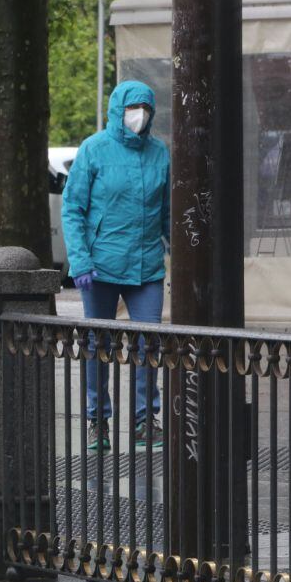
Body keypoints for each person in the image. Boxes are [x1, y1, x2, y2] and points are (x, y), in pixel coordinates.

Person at [62, 80, 170, 451]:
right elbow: (72, 208)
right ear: (116, 111)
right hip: (101, 265)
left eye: (144, 108)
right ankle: (98, 422)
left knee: (149, 341)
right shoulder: (93, 150)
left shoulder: (160, 153)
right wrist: (79, 260)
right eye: (131, 108)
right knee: (97, 344)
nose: (138, 115)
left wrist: (185, 255)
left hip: (146, 266)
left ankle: (145, 421)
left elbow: (168, 212)